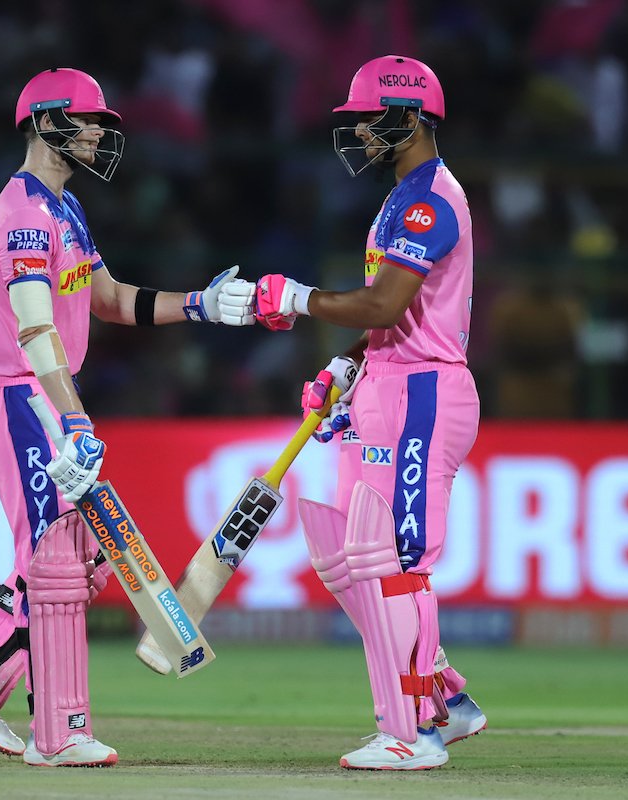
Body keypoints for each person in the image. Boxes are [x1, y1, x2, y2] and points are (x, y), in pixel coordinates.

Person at [0, 67, 252, 768]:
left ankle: (21, 709)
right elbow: (35, 330)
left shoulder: (63, 207)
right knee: (51, 561)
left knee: (76, 560)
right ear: (46, 124)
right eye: (90, 121)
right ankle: (2, 703)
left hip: (44, 396)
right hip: (19, 394)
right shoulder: (23, 216)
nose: (101, 134)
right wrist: (71, 420)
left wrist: (200, 305)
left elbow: (109, 298)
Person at [219, 55, 488, 770]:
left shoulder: (430, 200)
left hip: (422, 394)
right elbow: (388, 320)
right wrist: (349, 366)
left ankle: (414, 735)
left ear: (411, 117)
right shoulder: (402, 196)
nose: (360, 131)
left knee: (397, 564)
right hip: (388, 384)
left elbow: (385, 304)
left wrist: (297, 297)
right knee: (347, 557)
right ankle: (444, 699)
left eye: (371, 117)